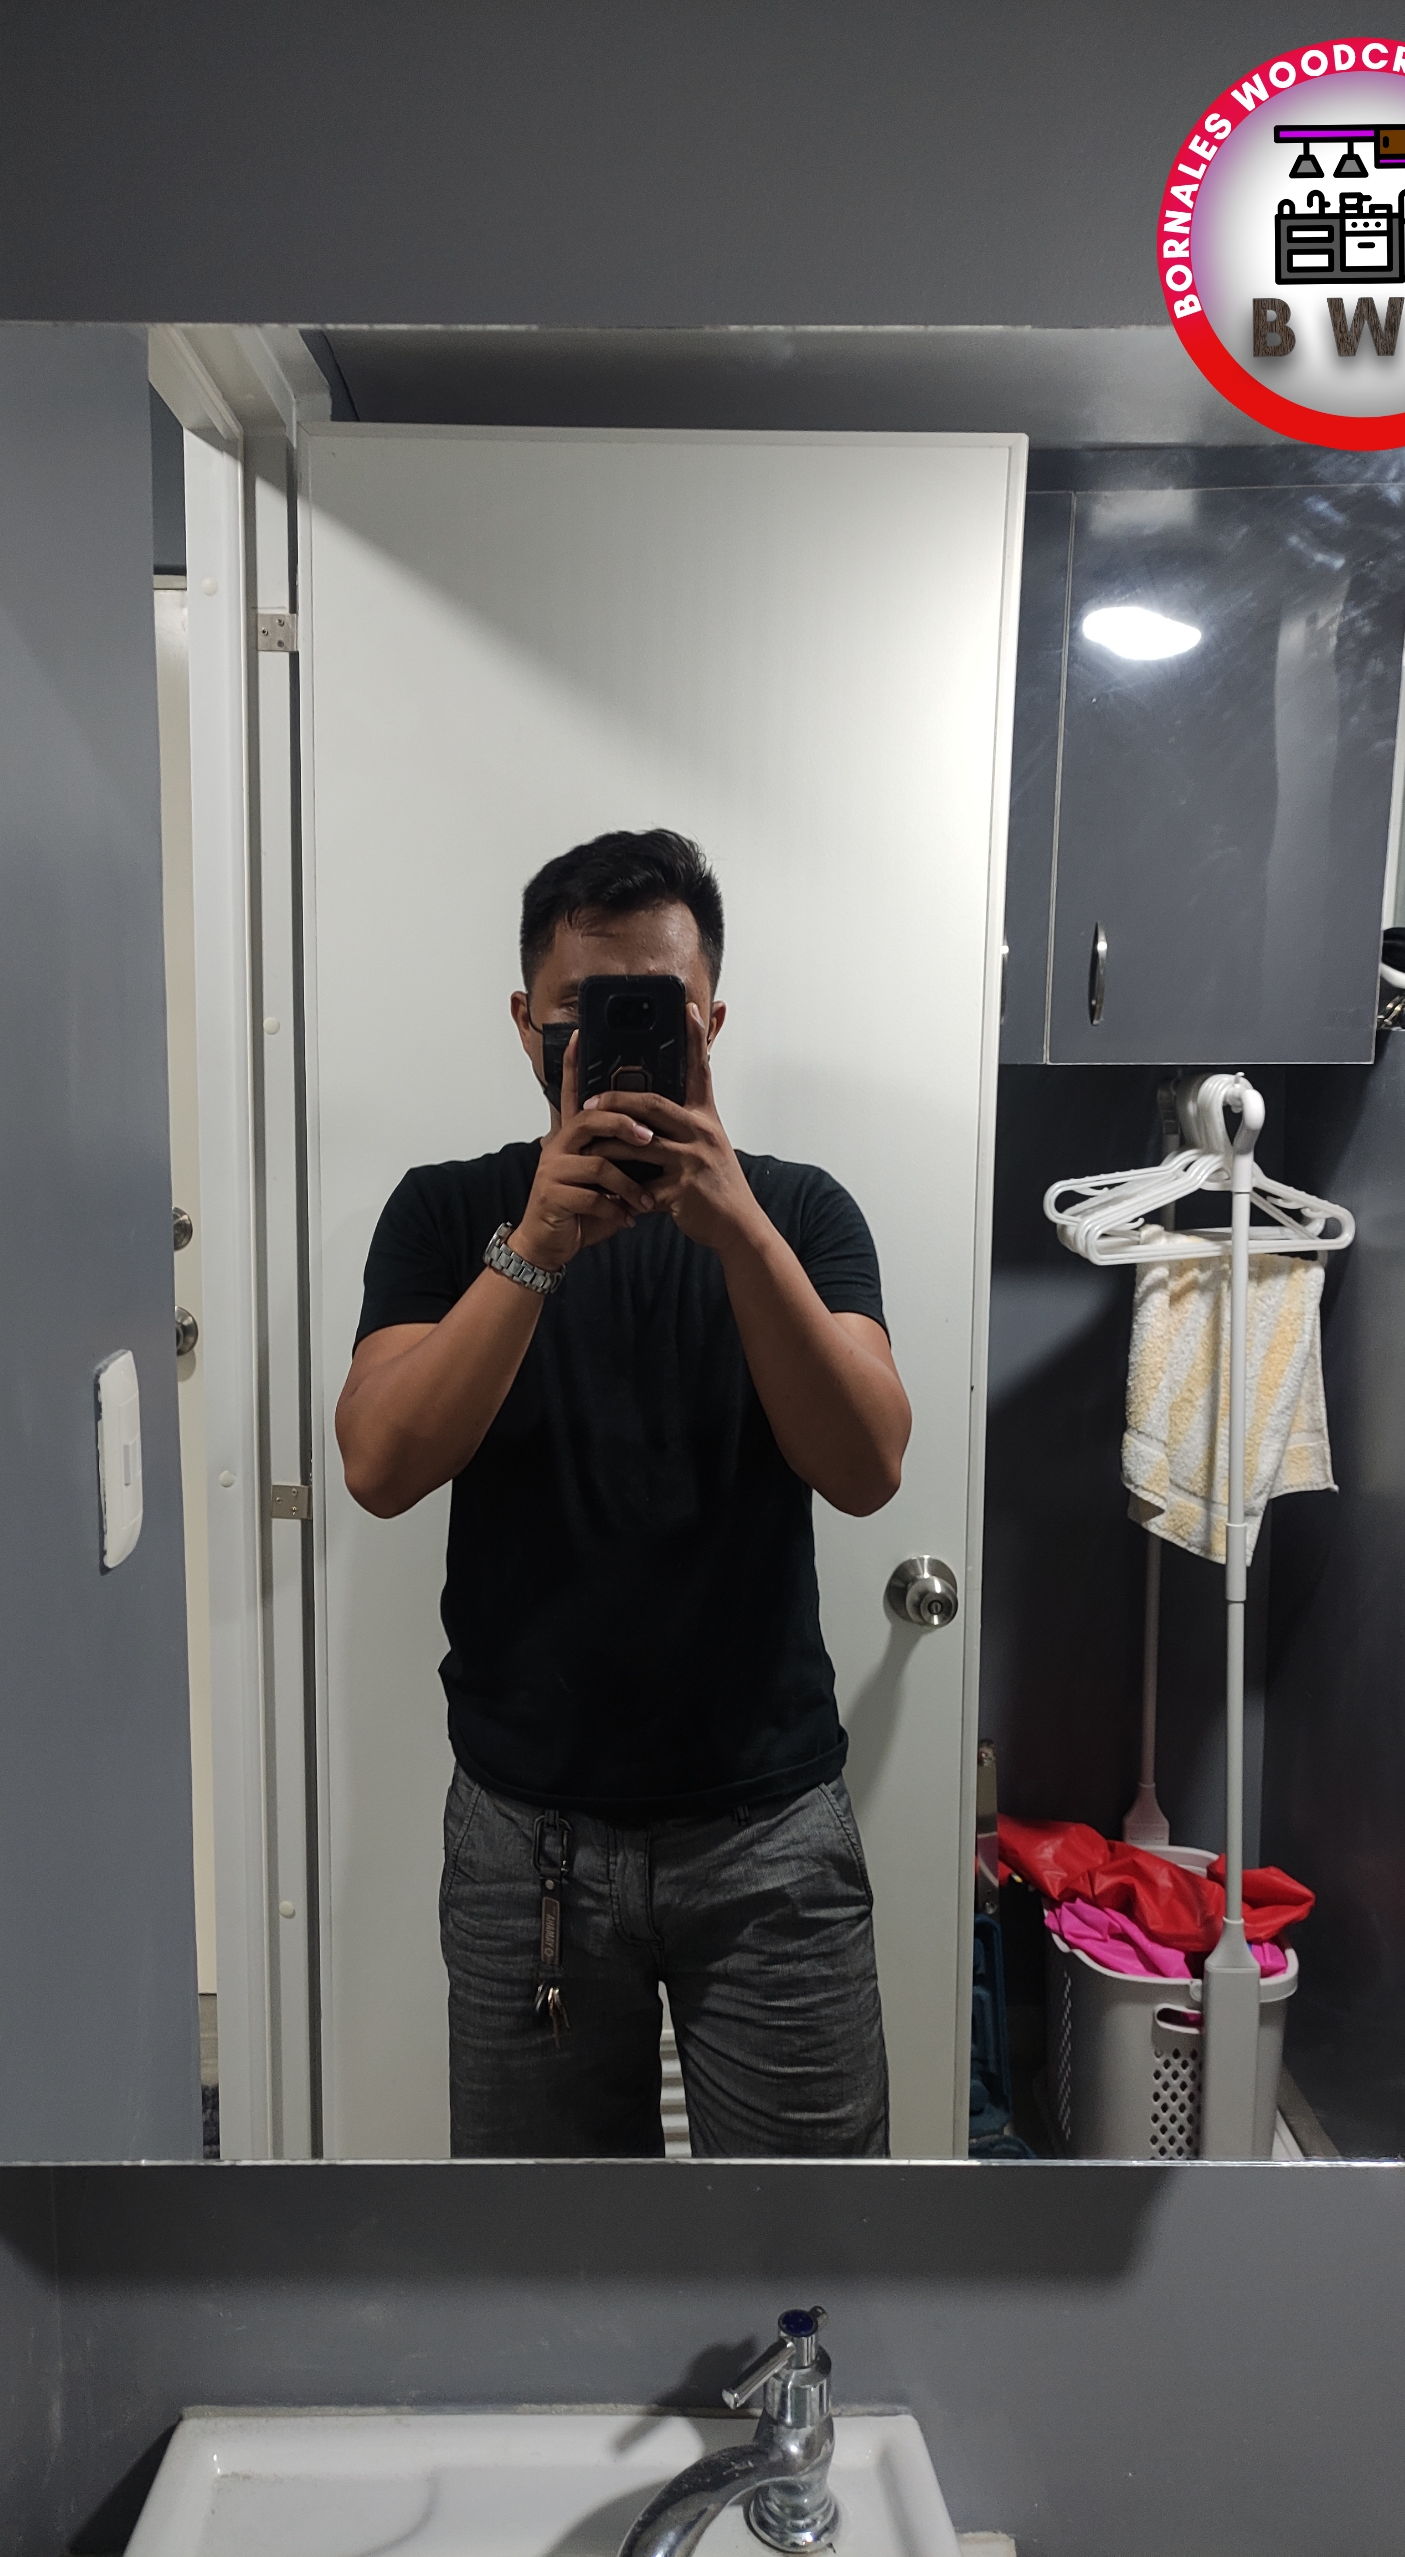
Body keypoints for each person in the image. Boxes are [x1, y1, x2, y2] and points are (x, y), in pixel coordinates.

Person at [335, 830, 910, 2158]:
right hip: (527, 1839)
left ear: (711, 1023)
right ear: (527, 1026)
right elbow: (378, 1463)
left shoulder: (801, 1216)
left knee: (809, 2242)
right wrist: (537, 1242)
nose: (620, 1047)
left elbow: (869, 1466)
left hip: (771, 1833)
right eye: (584, 1015)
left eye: (657, 1012)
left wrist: (738, 1229)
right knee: (549, 2253)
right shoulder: (449, 1215)